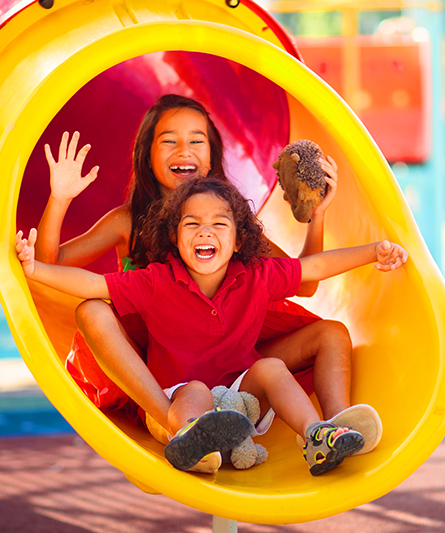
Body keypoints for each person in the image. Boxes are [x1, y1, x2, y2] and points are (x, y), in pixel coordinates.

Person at [32, 94, 381, 462]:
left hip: (230, 352)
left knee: (330, 333)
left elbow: (306, 279)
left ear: (212, 156)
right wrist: (59, 198)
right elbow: (50, 263)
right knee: (93, 310)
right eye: (169, 141)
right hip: (166, 364)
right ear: (146, 156)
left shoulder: (227, 222)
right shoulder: (129, 221)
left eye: (197, 141)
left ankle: (334, 427)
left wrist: (318, 217)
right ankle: (170, 419)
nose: (184, 150)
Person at [16, 177, 409, 475]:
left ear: (239, 240)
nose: (205, 231)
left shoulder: (256, 274)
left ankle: (318, 434)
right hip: (177, 398)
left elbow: (315, 268)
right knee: (196, 389)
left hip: (241, 396)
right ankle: (191, 439)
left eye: (220, 224)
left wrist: (373, 251)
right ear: (174, 236)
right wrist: (34, 269)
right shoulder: (156, 280)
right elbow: (92, 285)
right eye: (193, 224)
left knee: (270, 368)